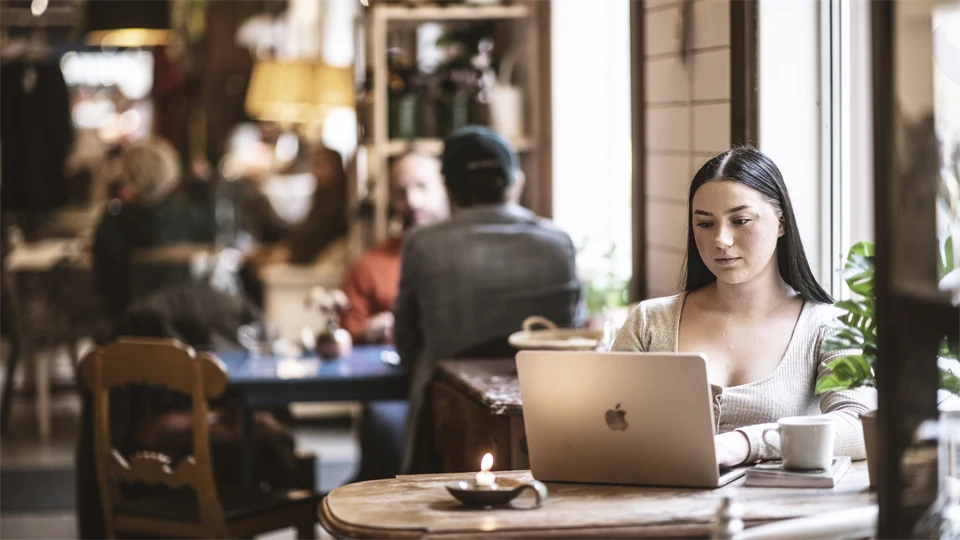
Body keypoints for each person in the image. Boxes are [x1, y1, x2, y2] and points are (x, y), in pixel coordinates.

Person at [611, 146, 876, 467]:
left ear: (781, 223)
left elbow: (859, 425)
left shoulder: (830, 326)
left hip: (784, 513)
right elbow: (606, 421)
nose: (721, 239)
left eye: (741, 220)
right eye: (705, 224)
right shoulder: (649, 321)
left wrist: (746, 442)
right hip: (663, 507)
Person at [393, 126, 581, 473]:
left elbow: (405, 343)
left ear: (448, 190)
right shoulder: (559, 242)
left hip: (447, 421)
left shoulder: (423, 243)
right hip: (547, 415)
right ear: (515, 183)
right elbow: (571, 332)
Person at [92, 137, 217, 319]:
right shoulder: (192, 217)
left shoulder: (115, 222)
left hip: (131, 327)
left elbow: (104, 283)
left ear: (127, 174)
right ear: (172, 170)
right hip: (190, 323)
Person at [340, 151, 449, 343]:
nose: (412, 201)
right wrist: (370, 329)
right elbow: (346, 335)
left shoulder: (470, 258)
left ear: (445, 189)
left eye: (422, 186)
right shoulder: (368, 266)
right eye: (401, 192)